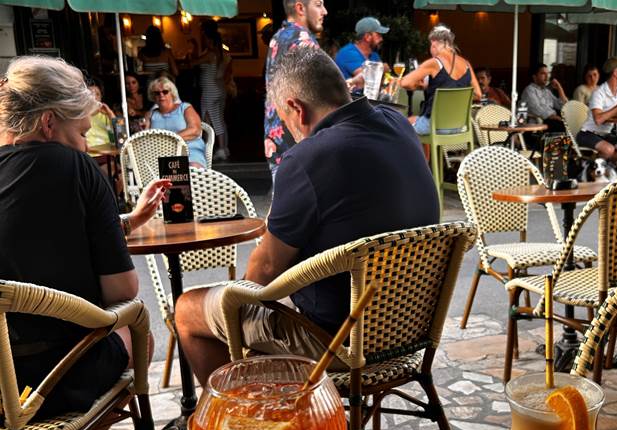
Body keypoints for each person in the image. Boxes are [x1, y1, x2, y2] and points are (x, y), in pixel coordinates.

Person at [174, 47, 439, 385]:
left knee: (188, 309)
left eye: (285, 124)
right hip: (407, 328)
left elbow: (262, 275)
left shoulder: (307, 158)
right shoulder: (399, 126)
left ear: (297, 109)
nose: (290, 133)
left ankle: (238, 428)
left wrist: (237, 297)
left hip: (336, 343)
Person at [0, 56, 168, 430]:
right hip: (50, 388)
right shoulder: (73, 167)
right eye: (81, 131)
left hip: (2, 398)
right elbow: (122, 290)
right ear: (49, 122)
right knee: (139, 330)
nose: (85, 142)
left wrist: (125, 225)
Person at [264, 0, 326, 180]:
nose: (324, 11)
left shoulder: (280, 36)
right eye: (318, 4)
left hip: (277, 137)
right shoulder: (302, 40)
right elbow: (318, 93)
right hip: (299, 141)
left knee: (286, 200)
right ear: (300, 8)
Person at [400, 24, 481, 135]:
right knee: (417, 120)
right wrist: (454, 96)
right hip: (459, 126)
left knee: (401, 123)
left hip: (434, 126)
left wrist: (417, 86)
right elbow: (478, 94)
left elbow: (405, 83)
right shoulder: (466, 64)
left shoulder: (434, 62)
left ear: (433, 42)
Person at [576, 57, 617, 162]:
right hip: (588, 133)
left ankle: (604, 167)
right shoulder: (599, 93)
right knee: (608, 150)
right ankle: (591, 170)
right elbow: (598, 120)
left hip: (606, 134)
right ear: (615, 73)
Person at [146, 76, 207, 168]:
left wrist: (169, 139)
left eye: (165, 92)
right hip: (161, 154)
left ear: (172, 93)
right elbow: (145, 137)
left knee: (191, 168)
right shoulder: (151, 114)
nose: (161, 95)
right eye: (157, 93)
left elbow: (195, 130)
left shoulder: (185, 108)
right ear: (153, 96)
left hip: (188, 149)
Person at [194, 20, 231, 161]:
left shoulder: (210, 54)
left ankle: (217, 150)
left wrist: (195, 46)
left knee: (211, 121)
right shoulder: (221, 52)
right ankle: (223, 148)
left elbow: (193, 62)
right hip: (219, 89)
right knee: (218, 120)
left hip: (210, 90)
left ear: (209, 40)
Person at [520, 63, 568, 133]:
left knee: (570, 124)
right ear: (534, 77)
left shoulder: (546, 91)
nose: (547, 76)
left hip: (552, 120)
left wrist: (559, 88)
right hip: (538, 121)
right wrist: (552, 116)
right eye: (543, 74)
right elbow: (535, 108)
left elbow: (563, 106)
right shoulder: (529, 90)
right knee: (563, 126)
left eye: (547, 73)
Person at [85, 81, 115, 147]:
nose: (94, 98)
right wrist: (89, 113)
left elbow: (120, 135)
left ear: (101, 97)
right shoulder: (80, 116)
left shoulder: (106, 115)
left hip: (107, 154)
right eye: (91, 94)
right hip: (88, 155)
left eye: (97, 94)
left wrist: (111, 114)